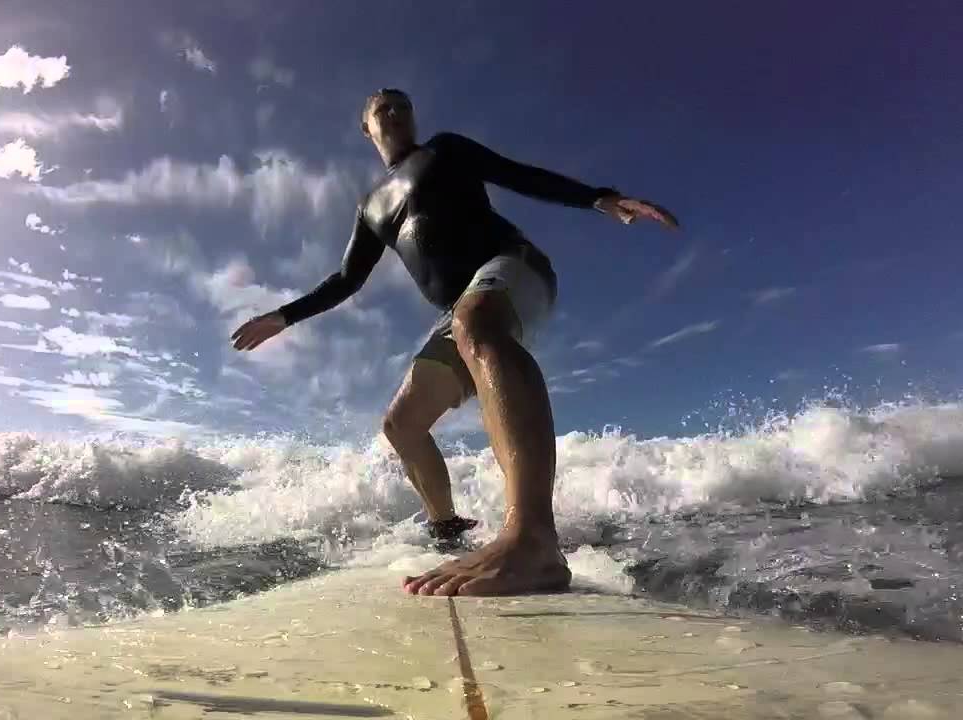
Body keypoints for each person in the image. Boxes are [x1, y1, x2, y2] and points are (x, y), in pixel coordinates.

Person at [231, 89, 679, 596]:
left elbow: (518, 174)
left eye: (404, 106)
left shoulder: (443, 150)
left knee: (474, 325)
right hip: (461, 310)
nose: (397, 114)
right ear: (366, 129)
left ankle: (532, 539)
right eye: (384, 109)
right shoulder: (370, 207)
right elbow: (346, 280)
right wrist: (284, 317)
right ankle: (446, 528)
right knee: (401, 424)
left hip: (512, 268)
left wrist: (598, 196)